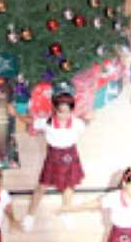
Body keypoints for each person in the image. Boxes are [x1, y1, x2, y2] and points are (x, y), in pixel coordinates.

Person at [11, 91, 88, 229]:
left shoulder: (77, 123)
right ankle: (30, 215)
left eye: (66, 112)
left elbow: (84, 124)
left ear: (72, 110)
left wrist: (89, 118)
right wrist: (16, 114)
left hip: (70, 156)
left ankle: (66, 211)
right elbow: (31, 121)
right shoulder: (47, 122)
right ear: (54, 110)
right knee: (42, 186)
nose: (63, 115)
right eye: (60, 111)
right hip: (53, 157)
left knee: (69, 186)